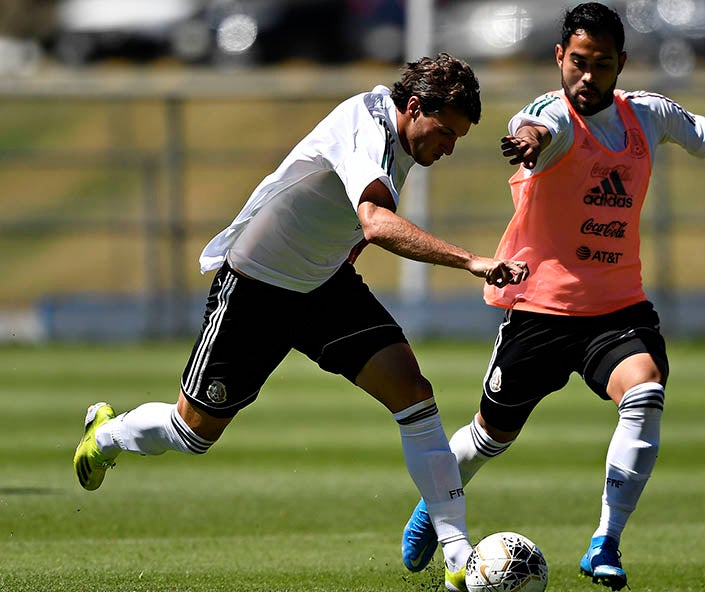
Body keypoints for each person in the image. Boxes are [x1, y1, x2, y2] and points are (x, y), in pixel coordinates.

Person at [72, 53, 529, 592]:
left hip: (324, 287)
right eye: (447, 133)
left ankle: (457, 556)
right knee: (191, 433)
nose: (449, 148)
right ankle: (107, 434)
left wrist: (345, 253)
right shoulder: (368, 124)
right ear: (414, 107)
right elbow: (376, 222)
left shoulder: (405, 140)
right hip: (256, 287)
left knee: (413, 391)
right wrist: (472, 261)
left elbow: (347, 216)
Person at [399, 4, 705, 590]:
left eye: (603, 65)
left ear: (622, 65)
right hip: (538, 308)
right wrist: (530, 142)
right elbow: (540, 128)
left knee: (644, 392)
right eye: (579, 63)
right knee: (490, 436)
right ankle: (433, 503)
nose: (588, 77)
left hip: (616, 309)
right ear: (560, 58)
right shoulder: (546, 116)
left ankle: (605, 542)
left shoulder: (649, 115)